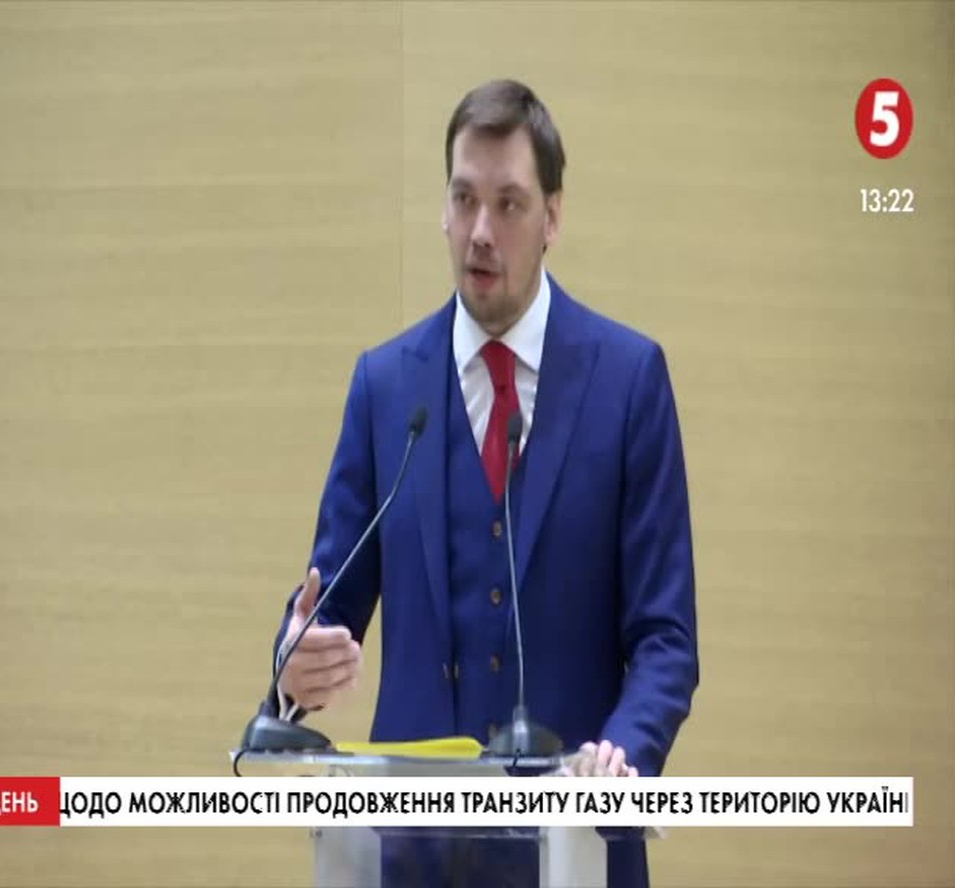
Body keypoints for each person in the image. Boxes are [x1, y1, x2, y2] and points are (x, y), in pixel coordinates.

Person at [268, 78, 698, 888]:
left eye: (509, 205)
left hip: (577, 847)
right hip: (414, 853)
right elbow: (329, 604)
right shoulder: (385, 388)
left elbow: (665, 638)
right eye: (463, 199)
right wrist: (294, 668)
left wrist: (623, 753)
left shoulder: (629, 381)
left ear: (553, 217)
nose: (480, 232)